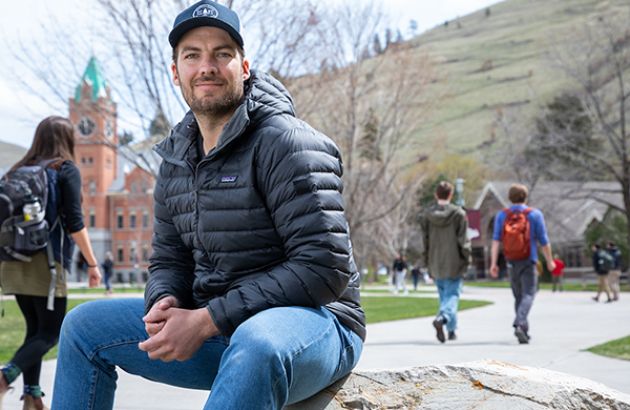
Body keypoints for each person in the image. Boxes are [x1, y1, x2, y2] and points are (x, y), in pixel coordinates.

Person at [52, 2, 365, 409]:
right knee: (83, 328)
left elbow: (325, 267)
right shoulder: (175, 159)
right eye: (192, 55)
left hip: (317, 325)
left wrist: (205, 319)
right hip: (223, 325)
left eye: (222, 53)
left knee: (259, 341)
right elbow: (168, 259)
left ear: (244, 66)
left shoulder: (287, 143)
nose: (207, 66)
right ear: (175, 71)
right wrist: (164, 301)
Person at [0, 116, 101, 410]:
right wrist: (92, 264)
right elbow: (75, 223)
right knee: (51, 332)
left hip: (12, 261)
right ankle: (5, 377)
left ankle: (32, 398)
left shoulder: (16, 170)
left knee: (34, 329)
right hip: (45, 263)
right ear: (67, 140)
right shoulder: (65, 169)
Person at [490, 183, 555, 344]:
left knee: (518, 296)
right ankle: (520, 324)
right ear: (525, 197)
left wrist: (493, 263)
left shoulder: (502, 215)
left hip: (511, 261)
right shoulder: (534, 215)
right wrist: (550, 260)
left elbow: (496, 240)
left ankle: (523, 329)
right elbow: (544, 241)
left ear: (510, 198)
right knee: (529, 294)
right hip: (529, 259)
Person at [419, 181, 470, 343]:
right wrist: (467, 259)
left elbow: (425, 241)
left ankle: (451, 330)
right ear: (451, 194)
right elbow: (464, 241)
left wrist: (426, 261)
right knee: (453, 295)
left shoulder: (427, 215)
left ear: (436, 194)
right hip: (454, 261)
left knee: (444, 297)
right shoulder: (459, 214)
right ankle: (444, 318)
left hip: (435, 261)